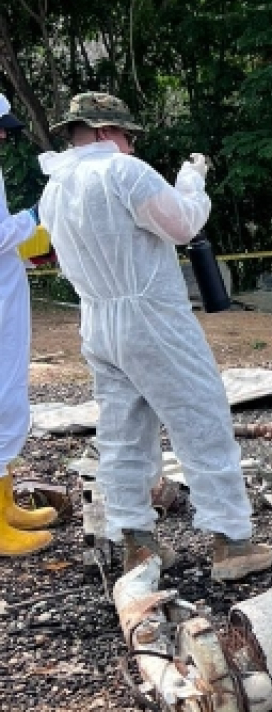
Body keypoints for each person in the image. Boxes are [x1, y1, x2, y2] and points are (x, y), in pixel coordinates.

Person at [37, 92, 272, 580]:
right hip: (152, 317)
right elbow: (183, 224)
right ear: (105, 132)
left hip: (98, 321)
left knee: (122, 432)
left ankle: (137, 544)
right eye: (125, 134)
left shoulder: (55, 188)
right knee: (201, 418)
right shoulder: (124, 171)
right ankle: (232, 542)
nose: (129, 142)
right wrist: (192, 182)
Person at [0, 93, 57, 557]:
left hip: (5, 291)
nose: (3, 135)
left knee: (8, 391)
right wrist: (35, 217)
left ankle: (5, 503)